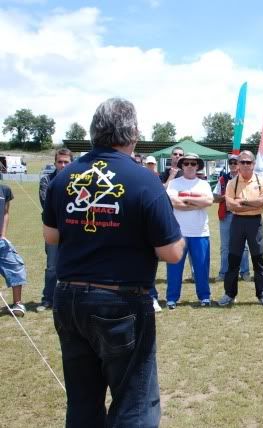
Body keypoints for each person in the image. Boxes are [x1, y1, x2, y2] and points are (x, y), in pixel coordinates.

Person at [43, 98, 184, 426]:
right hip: (120, 301)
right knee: (134, 405)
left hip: (68, 299)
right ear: (132, 132)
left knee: (82, 402)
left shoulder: (65, 176)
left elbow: (51, 236)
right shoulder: (143, 179)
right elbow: (172, 252)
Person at [217, 150, 263, 307]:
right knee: (233, 259)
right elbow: (230, 205)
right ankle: (230, 294)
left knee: (258, 259)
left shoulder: (261, 181)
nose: (244, 165)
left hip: (255, 223)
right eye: (241, 162)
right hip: (237, 222)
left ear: (253, 164)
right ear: (237, 164)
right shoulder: (232, 183)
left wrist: (242, 202)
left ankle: (262, 293)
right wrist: (251, 203)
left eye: (248, 162)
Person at [165, 153, 214, 309]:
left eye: (193, 163)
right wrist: (196, 203)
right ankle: (172, 298)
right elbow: (174, 203)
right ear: (182, 166)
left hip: (200, 232)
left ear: (198, 166)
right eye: (186, 163)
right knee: (174, 268)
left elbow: (208, 201)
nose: (190, 166)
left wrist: (186, 200)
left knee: (201, 267)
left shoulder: (204, 184)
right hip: (178, 233)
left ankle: (204, 297)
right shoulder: (174, 183)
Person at [37, 148, 72, 313]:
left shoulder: (79, 181)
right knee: (52, 267)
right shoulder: (46, 180)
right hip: (53, 229)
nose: (63, 165)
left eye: (66, 162)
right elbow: (47, 204)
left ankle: (69, 299)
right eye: (60, 162)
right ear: (55, 163)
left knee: (73, 264)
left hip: (74, 230)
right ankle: (48, 299)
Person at [213, 155, 250, 283]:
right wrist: (227, 197)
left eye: (236, 162)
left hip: (241, 215)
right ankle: (223, 272)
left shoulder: (245, 178)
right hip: (226, 215)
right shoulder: (223, 179)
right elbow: (215, 198)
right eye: (231, 162)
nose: (233, 164)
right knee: (225, 247)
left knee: (244, 246)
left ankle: (245, 272)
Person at [1, 183, 27, 317]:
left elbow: (5, 213)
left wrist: (3, 236)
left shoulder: (5, 190)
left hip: (1, 241)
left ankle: (17, 304)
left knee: (16, 266)